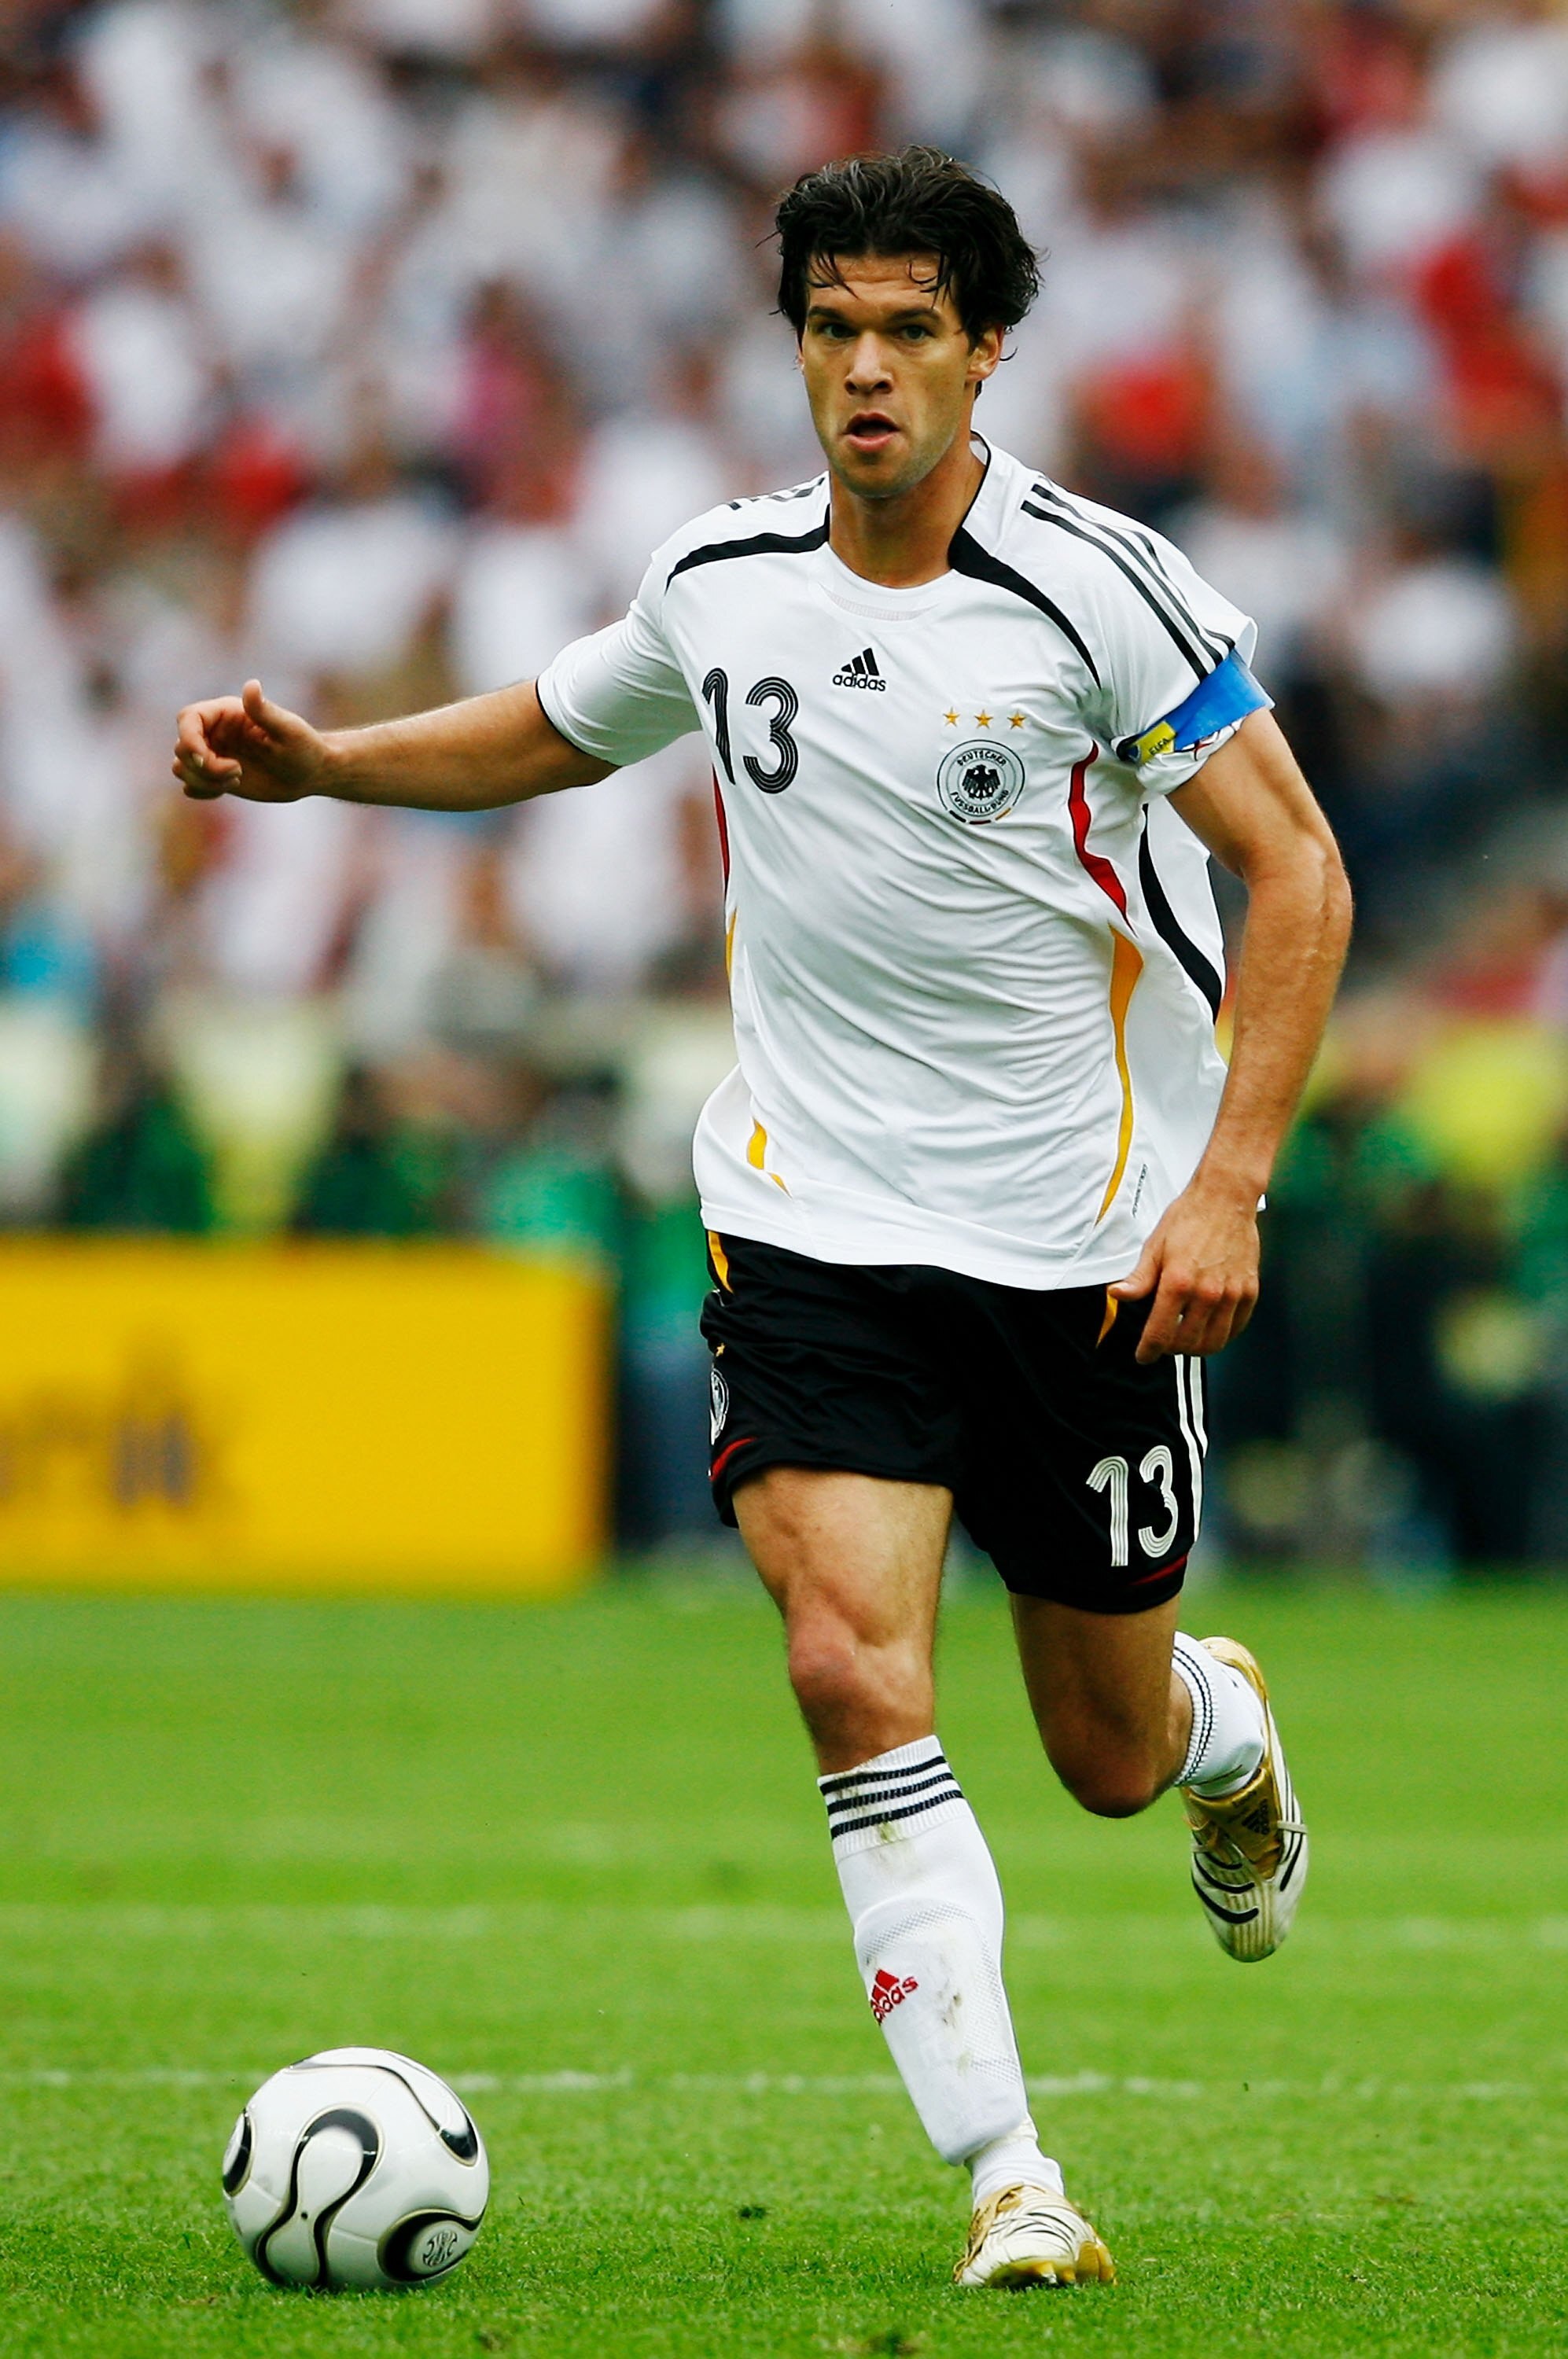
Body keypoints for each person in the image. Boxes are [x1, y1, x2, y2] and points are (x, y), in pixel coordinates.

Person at [172, 147, 1353, 2294]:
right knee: (842, 1664)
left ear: (985, 353)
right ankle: (1011, 2177)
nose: (867, 368)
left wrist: (1226, 1186)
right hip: (811, 1220)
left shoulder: (1099, 590)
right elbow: (561, 729)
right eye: (833, 328)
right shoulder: (721, 576)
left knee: (1102, 1755)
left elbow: (1301, 874)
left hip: (1081, 1248)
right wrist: (328, 765)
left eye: (910, 330)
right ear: (795, 346)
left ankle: (1218, 1726)